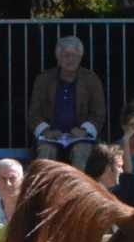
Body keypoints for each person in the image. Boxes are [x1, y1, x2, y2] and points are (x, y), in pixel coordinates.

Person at [27, 35, 106, 169]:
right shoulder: (43, 79)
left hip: (81, 137)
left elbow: (98, 112)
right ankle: (44, 190)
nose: (70, 59)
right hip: (51, 137)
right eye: (65, 55)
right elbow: (34, 113)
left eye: (75, 55)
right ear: (58, 58)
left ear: (80, 57)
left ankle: (77, 190)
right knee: (46, 153)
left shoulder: (91, 79)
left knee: (81, 152)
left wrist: (84, 130)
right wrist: (46, 131)